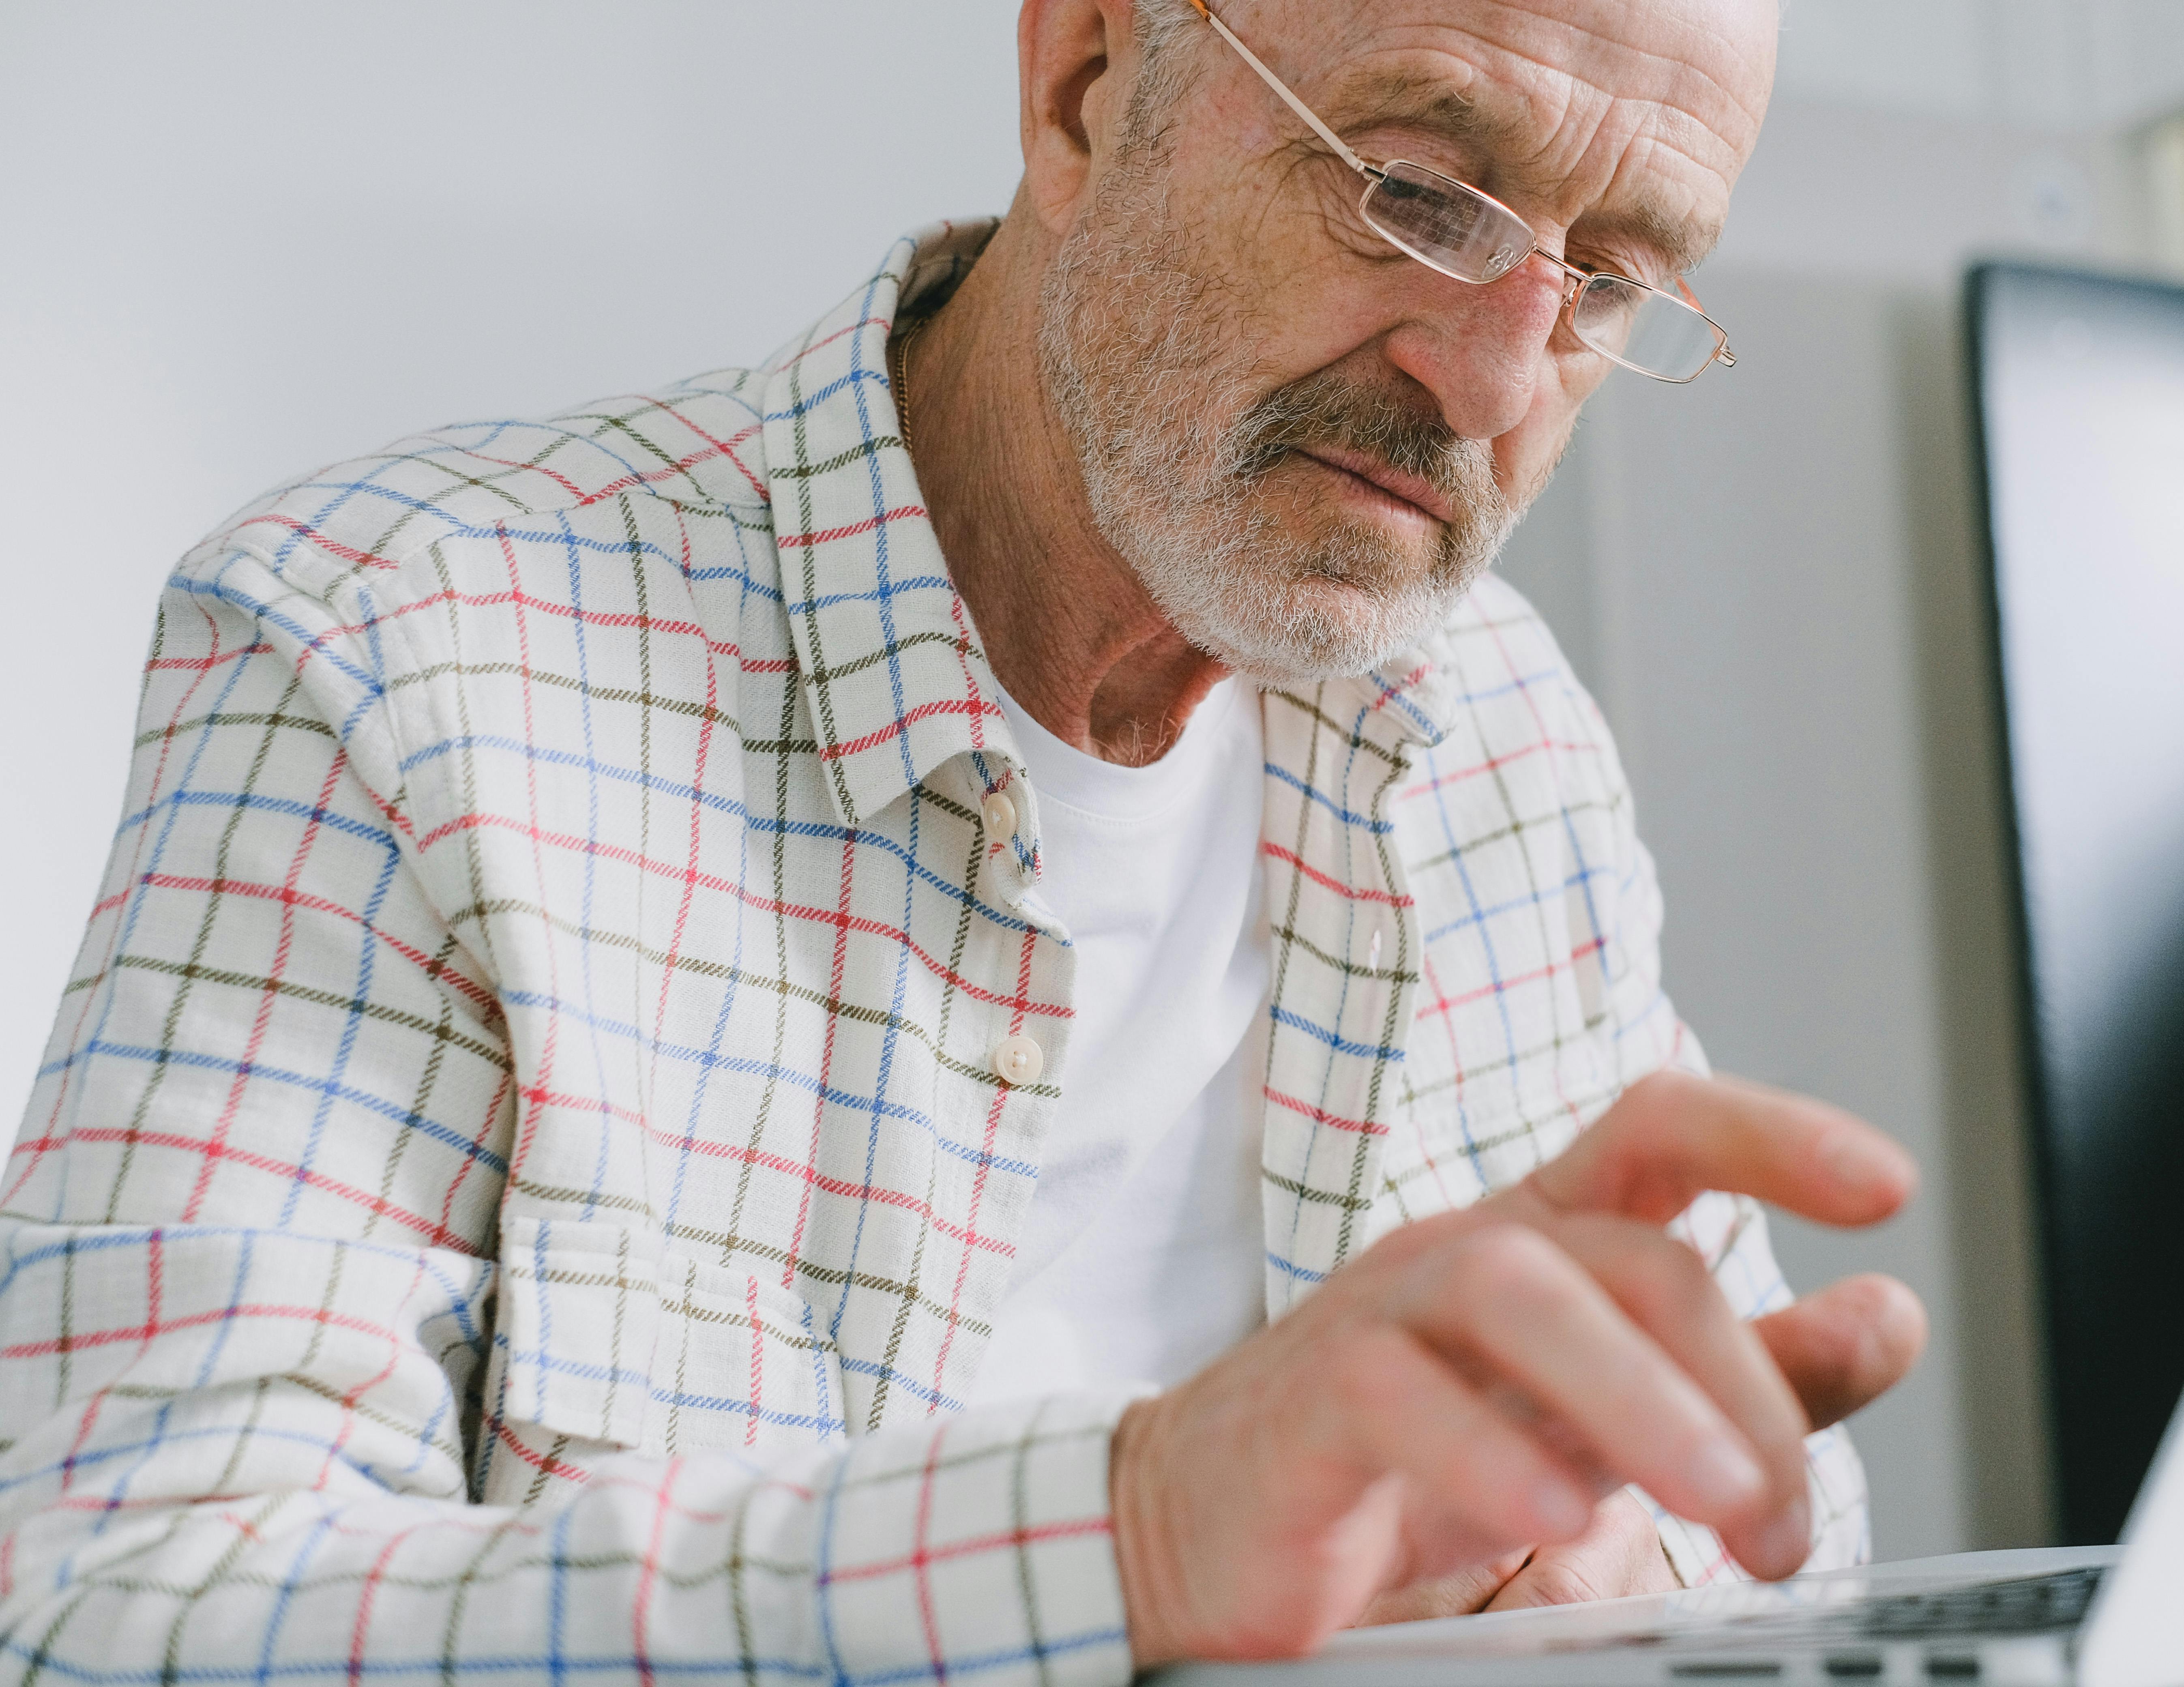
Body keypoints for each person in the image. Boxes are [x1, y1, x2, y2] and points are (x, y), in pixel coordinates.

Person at [0, 0, 1929, 1681]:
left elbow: (1784, 1497)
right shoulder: (389, 650)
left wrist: (1625, 1567)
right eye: (1417, 194)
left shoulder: (1498, 723)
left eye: (1606, 282)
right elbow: (119, 1612)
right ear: (1088, 80)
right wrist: (1138, 1534)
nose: (1496, 383)